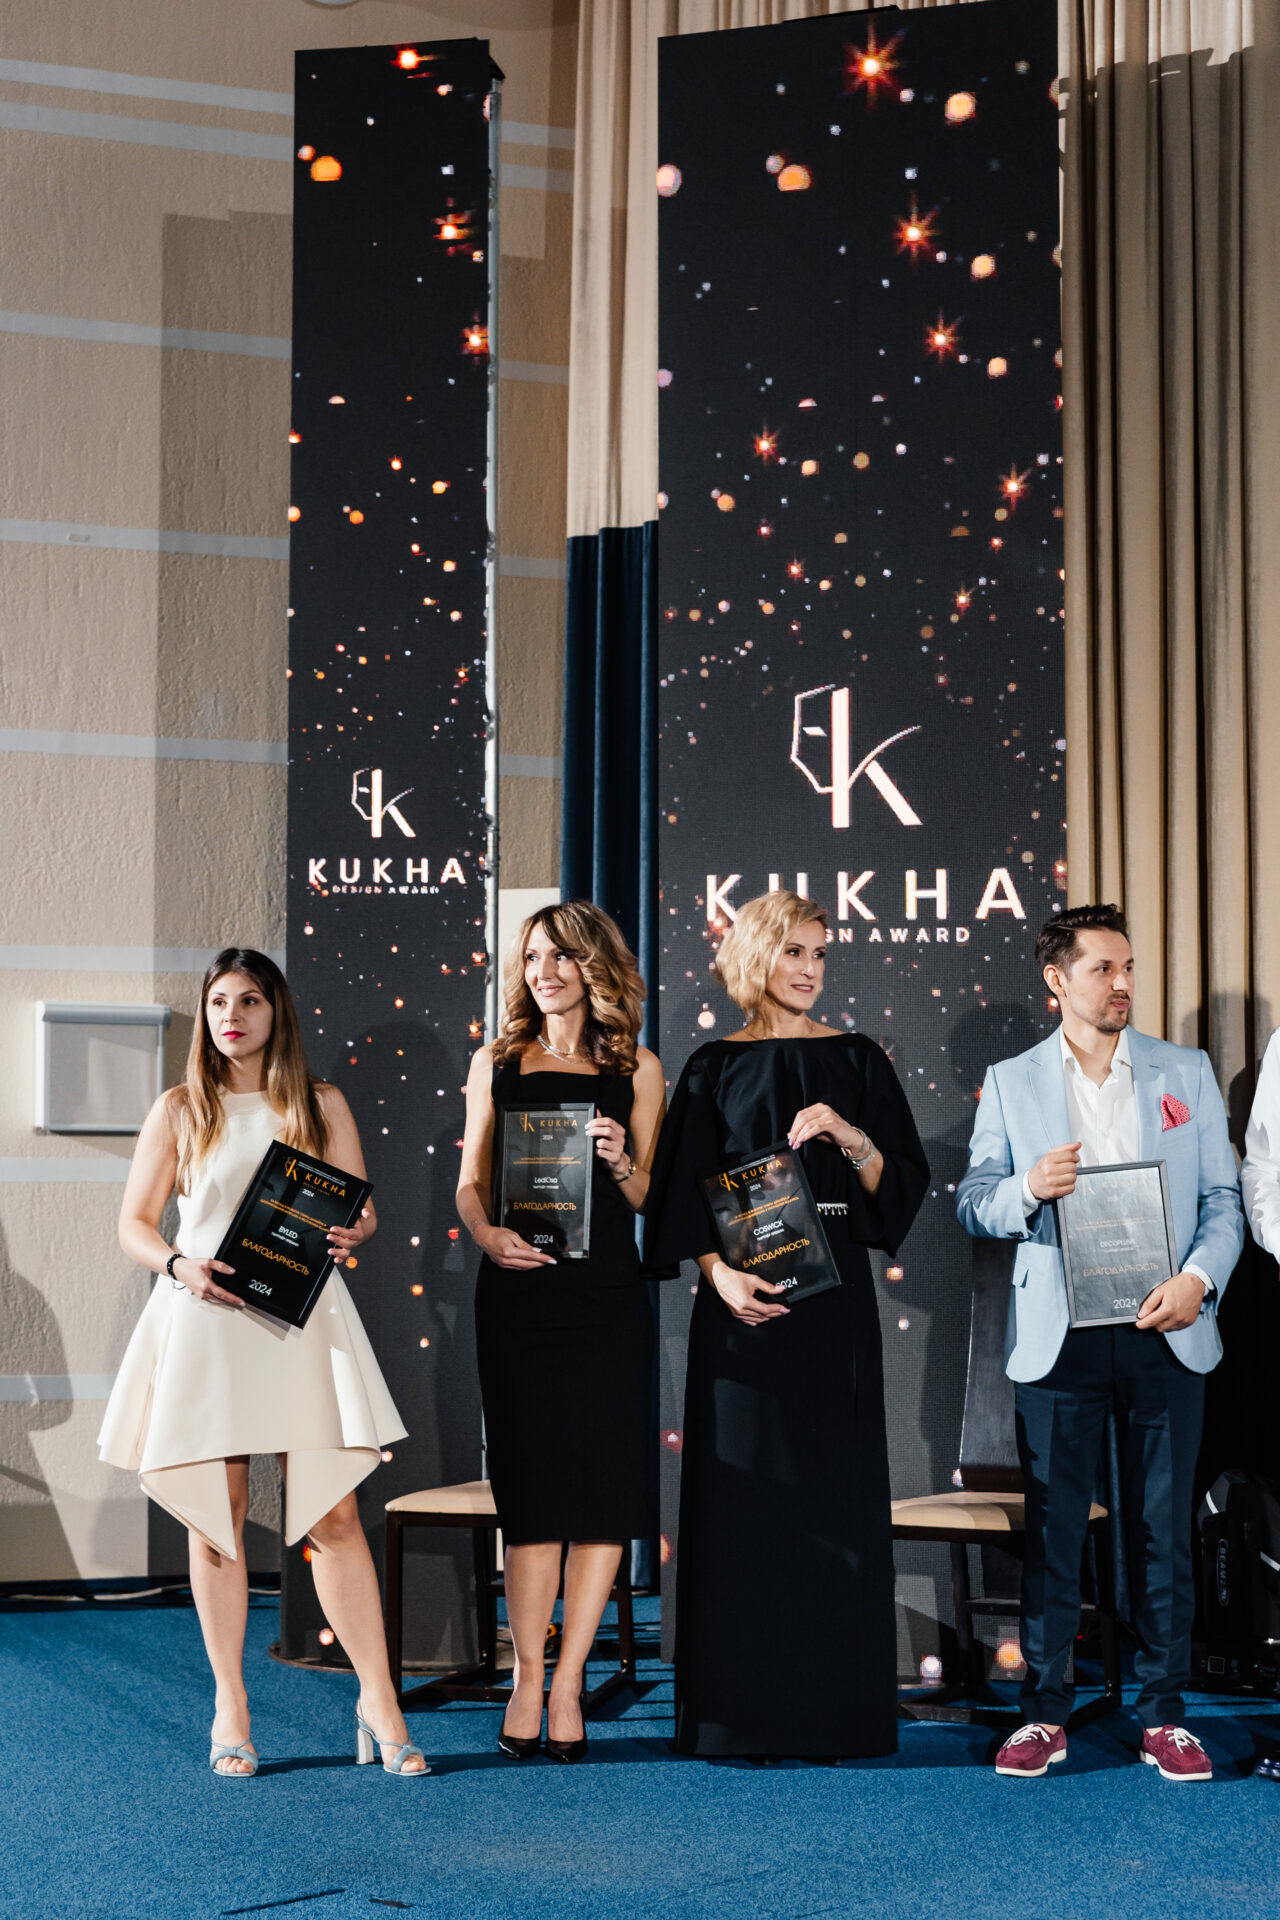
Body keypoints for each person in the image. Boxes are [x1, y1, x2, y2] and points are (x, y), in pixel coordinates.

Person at [99, 948, 424, 1778]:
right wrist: (179, 1265)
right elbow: (135, 1223)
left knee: (335, 1517)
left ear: (276, 1011)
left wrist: (354, 1231)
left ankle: (378, 1700)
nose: (231, 1016)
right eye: (218, 1002)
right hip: (208, 1319)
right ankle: (231, 1706)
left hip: (301, 1318)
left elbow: (360, 1208)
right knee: (218, 1517)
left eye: (248, 1000)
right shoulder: (180, 1108)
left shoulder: (320, 1101)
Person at [956, 903, 1243, 1781]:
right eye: (1102, 970)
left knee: (1163, 1532)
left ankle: (1164, 1715)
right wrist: (1028, 1188)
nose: (1122, 984)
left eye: (1128, 968)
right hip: (1061, 1338)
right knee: (1053, 1535)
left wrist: (1199, 1281)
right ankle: (1044, 1714)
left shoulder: (1184, 1071)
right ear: (1057, 980)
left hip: (1167, 1328)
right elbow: (974, 1200)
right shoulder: (1012, 1081)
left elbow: (1223, 1202)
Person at [644, 890, 928, 1759]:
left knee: (834, 1502)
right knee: (743, 1510)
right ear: (754, 956)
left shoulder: (857, 1059)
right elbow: (678, 1199)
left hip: (834, 1316)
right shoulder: (711, 1067)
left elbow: (900, 1189)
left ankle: (836, 1714)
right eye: (793, 951)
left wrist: (848, 1134)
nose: (809, 969)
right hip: (741, 1322)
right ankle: (738, 1718)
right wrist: (720, 1275)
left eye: (820, 953)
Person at [456, 901, 665, 1761]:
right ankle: (528, 1676)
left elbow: (653, 1197)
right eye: (533, 957)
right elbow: (470, 1182)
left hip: (607, 1301)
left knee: (602, 1496)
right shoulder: (498, 1061)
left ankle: (572, 1679)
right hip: (518, 1299)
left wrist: (620, 1161)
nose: (543, 972)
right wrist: (486, 1236)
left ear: (593, 966)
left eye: (560, 957)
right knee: (534, 1498)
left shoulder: (637, 1068)